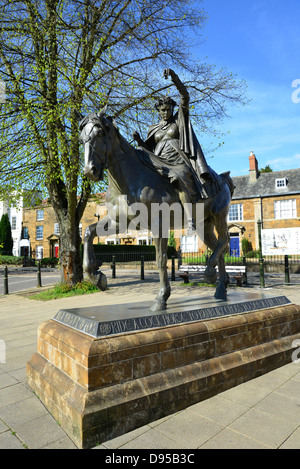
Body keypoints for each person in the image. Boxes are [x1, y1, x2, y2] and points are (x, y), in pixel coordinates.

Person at [133, 68, 214, 231]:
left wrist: (174, 77)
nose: (165, 112)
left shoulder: (179, 119)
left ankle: (190, 219)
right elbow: (148, 149)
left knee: (178, 178)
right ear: (158, 111)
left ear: (172, 109)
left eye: (168, 109)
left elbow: (185, 96)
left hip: (178, 161)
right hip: (158, 162)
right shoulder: (153, 128)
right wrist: (139, 141)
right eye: (162, 110)